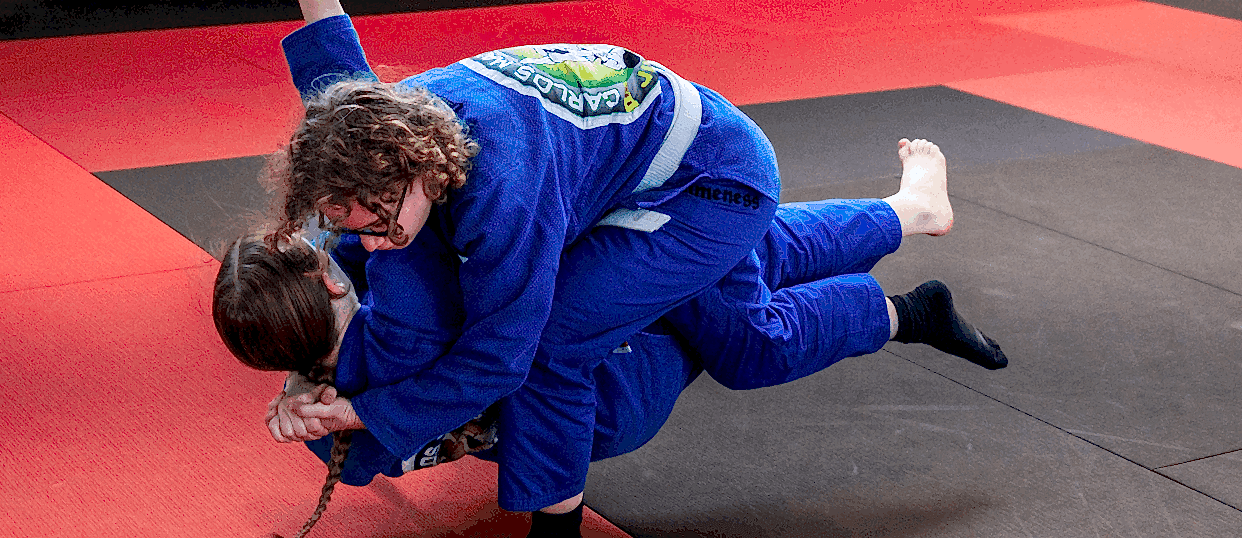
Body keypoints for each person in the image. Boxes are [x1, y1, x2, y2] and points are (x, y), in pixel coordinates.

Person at [259, 0, 1007, 526]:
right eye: (352, 231)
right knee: (739, 283)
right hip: (672, 162)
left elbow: (502, 357)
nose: (374, 245)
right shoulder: (378, 123)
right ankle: (909, 214)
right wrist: (305, 372)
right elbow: (332, 68)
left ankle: (905, 310)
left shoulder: (502, 195)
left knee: (585, 338)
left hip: (710, 185)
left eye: (379, 225)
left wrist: (365, 412)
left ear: (409, 169)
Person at [215, 190, 1007, 538]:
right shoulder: (400, 298)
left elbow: (362, 450)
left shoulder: (325, 424)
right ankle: (902, 281)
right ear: (325, 279)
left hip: (593, 420)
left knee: (727, 261)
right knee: (732, 273)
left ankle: (905, 256)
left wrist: (303, 384)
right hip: (611, 377)